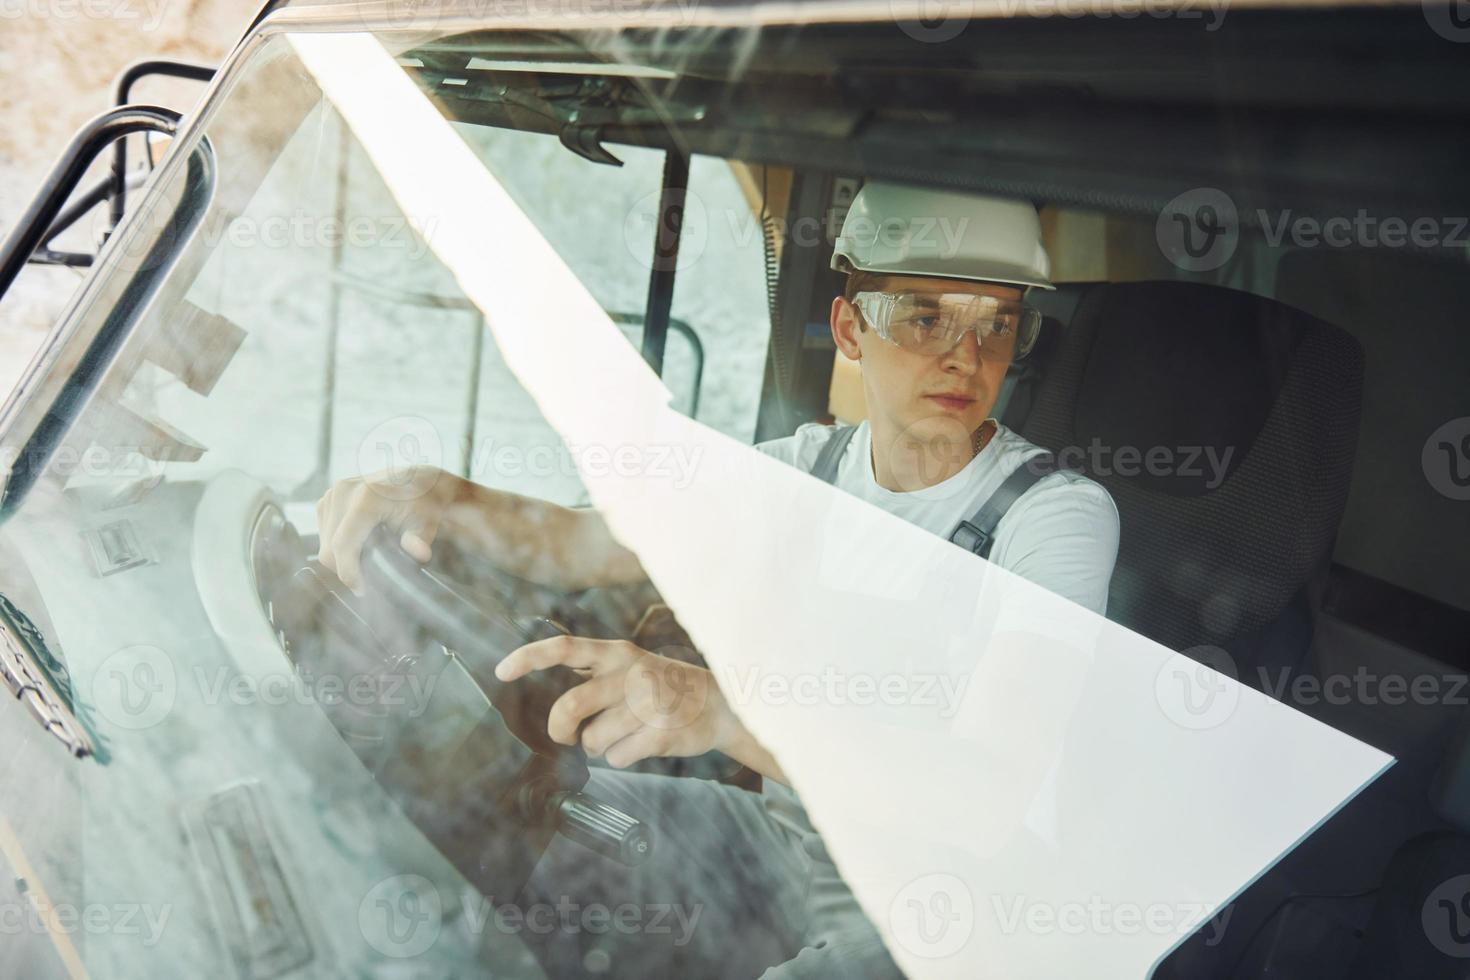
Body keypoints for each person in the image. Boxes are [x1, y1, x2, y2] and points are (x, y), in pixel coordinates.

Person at [316, 181, 1119, 976]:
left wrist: (723, 717)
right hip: (795, 845)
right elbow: (584, 545)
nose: (966, 358)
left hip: (965, 912)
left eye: (998, 325)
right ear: (849, 328)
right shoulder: (811, 470)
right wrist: (445, 496)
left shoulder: (1055, 516)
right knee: (521, 829)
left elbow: (985, 797)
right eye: (925, 317)